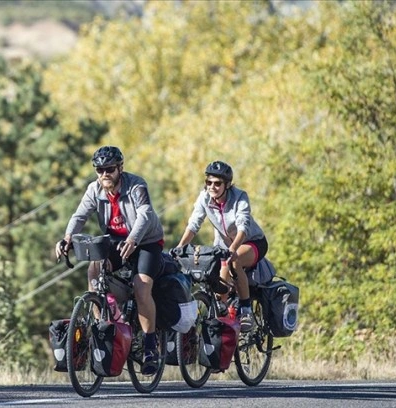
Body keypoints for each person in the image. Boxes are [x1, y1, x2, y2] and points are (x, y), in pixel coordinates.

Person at [55, 146, 166, 375]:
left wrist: (134, 239)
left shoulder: (136, 185)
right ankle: (103, 329)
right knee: (94, 271)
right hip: (116, 241)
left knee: (141, 286)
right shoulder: (94, 189)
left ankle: (149, 346)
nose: (105, 174)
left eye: (110, 169)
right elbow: (79, 216)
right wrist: (67, 238)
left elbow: (145, 214)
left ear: (120, 169)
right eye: (99, 169)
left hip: (146, 242)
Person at [174, 161, 268, 332]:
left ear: (227, 185)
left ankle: (246, 309)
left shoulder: (240, 197)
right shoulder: (204, 197)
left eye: (217, 183)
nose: (212, 187)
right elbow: (194, 224)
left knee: (234, 261)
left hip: (251, 242)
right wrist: (180, 247)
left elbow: (243, 227)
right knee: (219, 290)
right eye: (209, 182)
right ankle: (224, 325)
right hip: (224, 246)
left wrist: (233, 249)